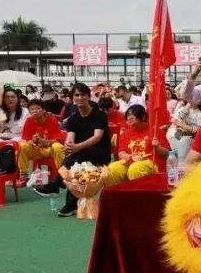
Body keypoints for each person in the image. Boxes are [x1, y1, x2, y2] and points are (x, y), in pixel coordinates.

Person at [32, 82, 111, 217]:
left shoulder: (100, 115)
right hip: (81, 154)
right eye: (77, 95)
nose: (80, 98)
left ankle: (57, 187)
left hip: (100, 153)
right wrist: (69, 145)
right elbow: (70, 137)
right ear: (73, 98)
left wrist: (77, 147)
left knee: (77, 157)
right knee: (75, 161)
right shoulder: (73, 119)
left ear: (89, 96)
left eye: (83, 95)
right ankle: (69, 204)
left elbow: (97, 137)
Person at [106, 105, 169, 186]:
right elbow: (121, 153)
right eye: (128, 115)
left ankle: (138, 196)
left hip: (150, 164)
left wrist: (157, 147)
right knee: (112, 169)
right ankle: (116, 196)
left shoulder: (156, 131)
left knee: (135, 169)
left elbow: (166, 154)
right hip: (130, 162)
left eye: (132, 115)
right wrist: (131, 157)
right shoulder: (125, 133)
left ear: (143, 117)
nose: (129, 117)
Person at [18, 98, 66, 180]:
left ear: (44, 110)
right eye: (32, 109)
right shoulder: (29, 121)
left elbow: (58, 140)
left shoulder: (52, 120)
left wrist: (43, 142)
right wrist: (33, 142)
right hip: (37, 150)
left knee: (57, 146)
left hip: (51, 150)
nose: (35, 111)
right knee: (22, 145)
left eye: (37, 108)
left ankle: (62, 174)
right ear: (29, 112)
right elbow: (27, 139)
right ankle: (24, 173)